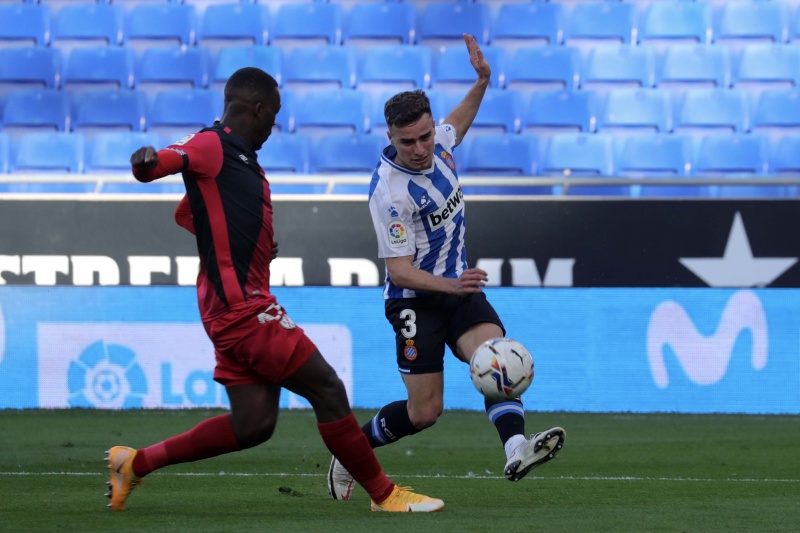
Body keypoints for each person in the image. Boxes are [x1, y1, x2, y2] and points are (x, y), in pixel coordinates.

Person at [106, 67, 444, 514]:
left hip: (234, 305)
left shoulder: (241, 160)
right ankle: (384, 495)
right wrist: (145, 165)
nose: (275, 124)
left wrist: (252, 243)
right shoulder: (212, 145)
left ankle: (134, 463)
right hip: (240, 308)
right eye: (274, 114)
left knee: (253, 423)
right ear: (258, 109)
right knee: (327, 387)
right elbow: (160, 164)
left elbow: (188, 214)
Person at [327, 35, 565, 501]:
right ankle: (350, 452)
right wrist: (451, 285)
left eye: (426, 136)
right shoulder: (390, 194)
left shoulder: (440, 144)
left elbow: (459, 121)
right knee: (425, 412)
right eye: (408, 141)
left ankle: (516, 448)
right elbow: (399, 271)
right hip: (415, 301)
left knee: (497, 357)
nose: (420, 148)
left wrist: (482, 81)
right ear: (390, 138)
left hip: (458, 288)